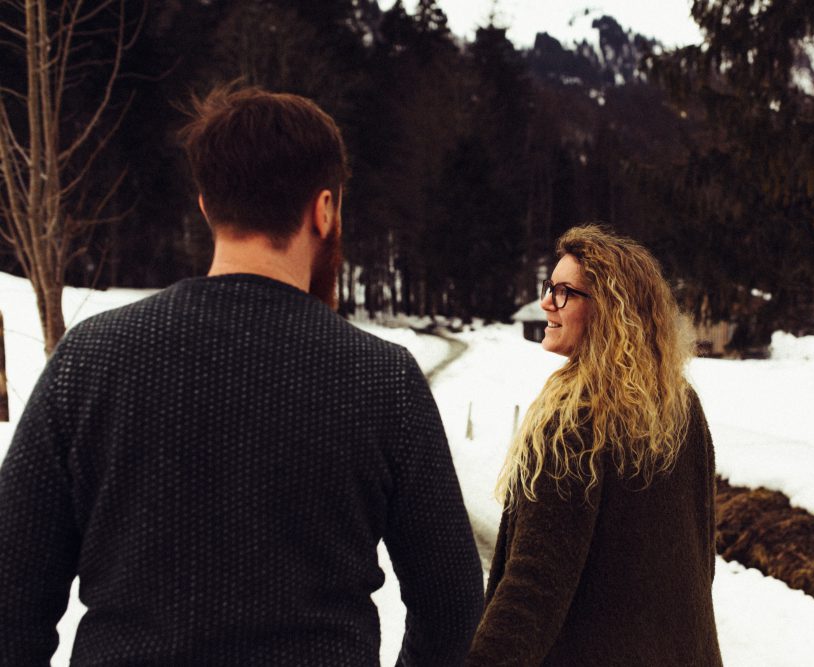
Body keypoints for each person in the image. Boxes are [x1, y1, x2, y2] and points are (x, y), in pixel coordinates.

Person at [0, 86, 483, 666]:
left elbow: (11, 600)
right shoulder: (383, 380)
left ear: (207, 205)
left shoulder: (89, 358)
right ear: (324, 210)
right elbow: (452, 607)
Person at [467, 225, 723, 666]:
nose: (547, 303)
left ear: (609, 310)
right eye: (549, 287)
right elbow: (703, 564)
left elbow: (533, 587)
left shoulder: (573, 420)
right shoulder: (679, 405)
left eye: (564, 292)